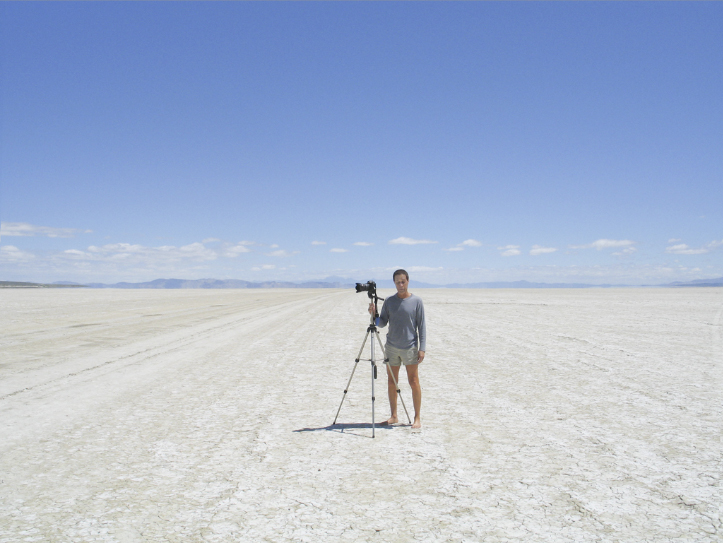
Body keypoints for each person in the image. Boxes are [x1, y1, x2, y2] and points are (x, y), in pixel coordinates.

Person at [368, 269, 426, 429]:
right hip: (392, 347)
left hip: (410, 348)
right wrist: (374, 315)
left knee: (413, 381)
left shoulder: (416, 301)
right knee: (392, 382)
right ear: (394, 283)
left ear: (408, 281)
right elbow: (383, 323)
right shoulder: (389, 301)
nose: (401, 285)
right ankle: (394, 416)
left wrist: (422, 348)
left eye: (403, 281)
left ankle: (417, 417)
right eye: (397, 282)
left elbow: (422, 326)